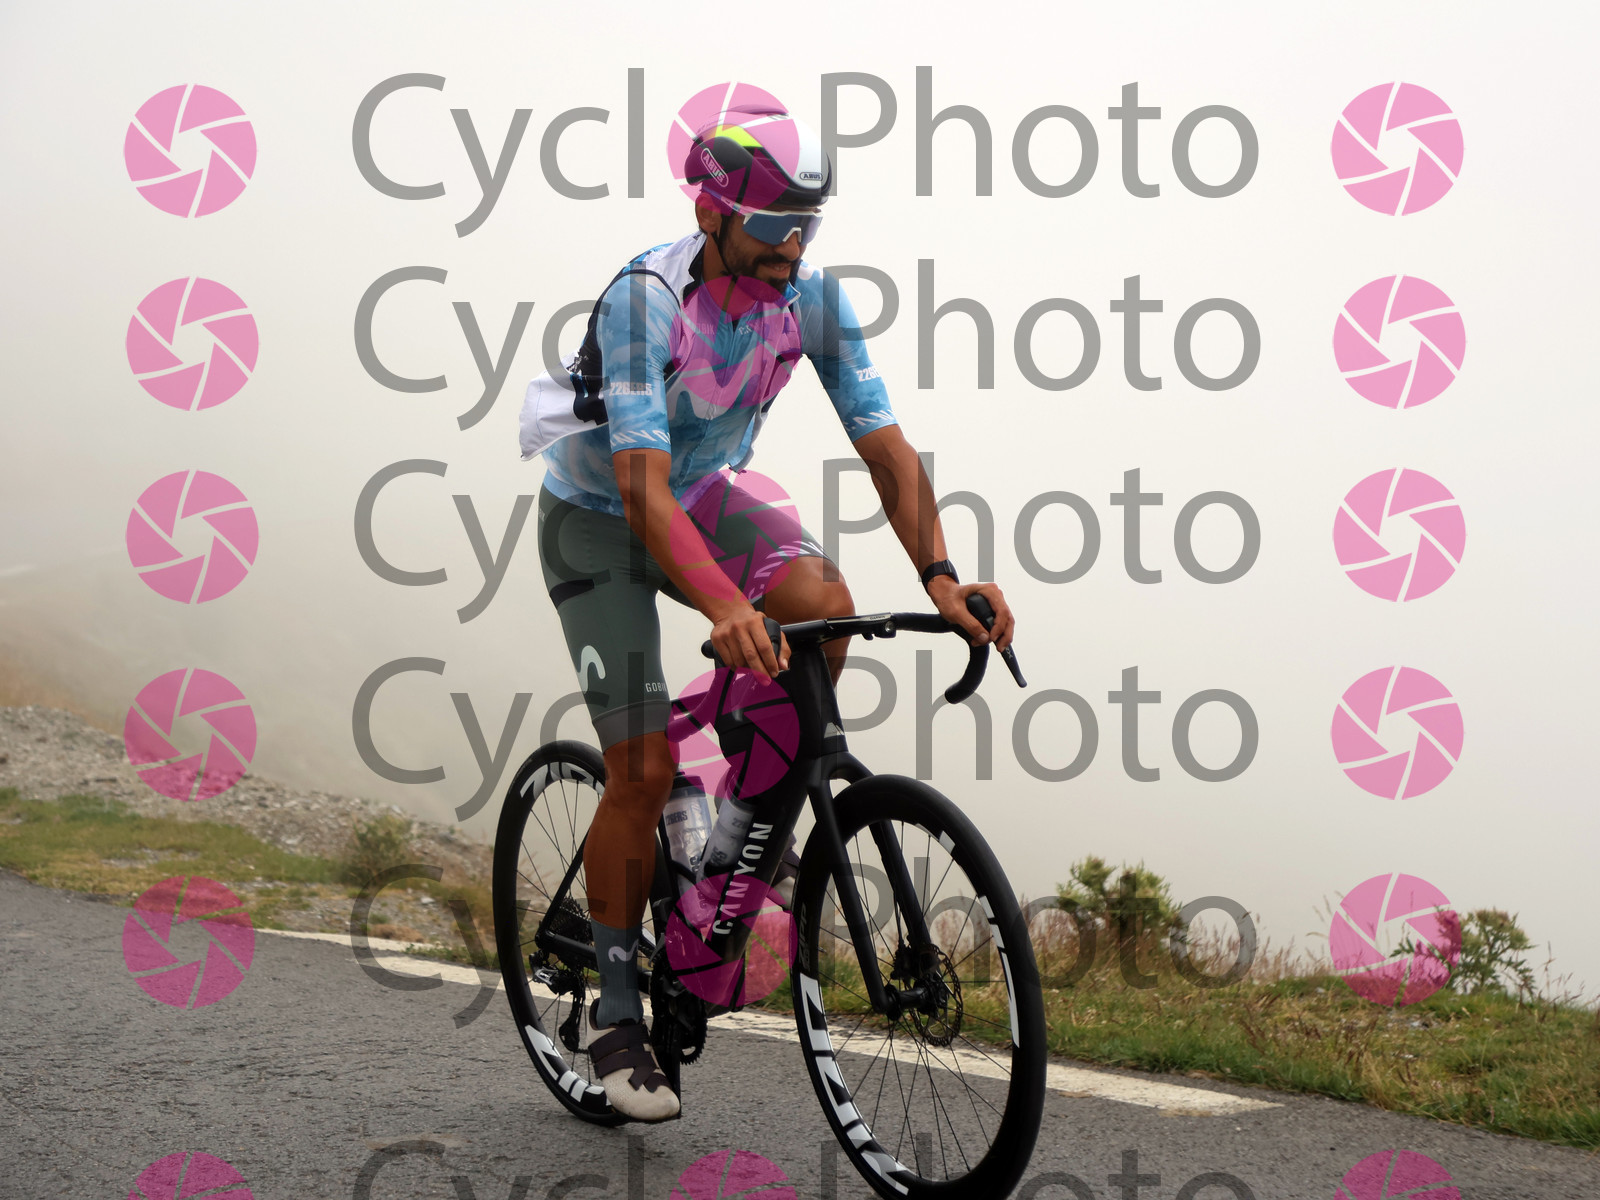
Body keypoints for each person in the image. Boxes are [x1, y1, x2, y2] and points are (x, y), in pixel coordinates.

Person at [519, 103, 1015, 1121]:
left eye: (808, 224)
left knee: (823, 610)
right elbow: (641, 487)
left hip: (702, 493)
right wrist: (719, 603)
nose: (794, 246)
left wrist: (940, 574)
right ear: (711, 213)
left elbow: (884, 445)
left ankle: (735, 833)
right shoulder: (645, 302)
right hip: (600, 518)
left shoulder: (812, 301)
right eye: (775, 224)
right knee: (640, 767)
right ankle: (617, 1014)